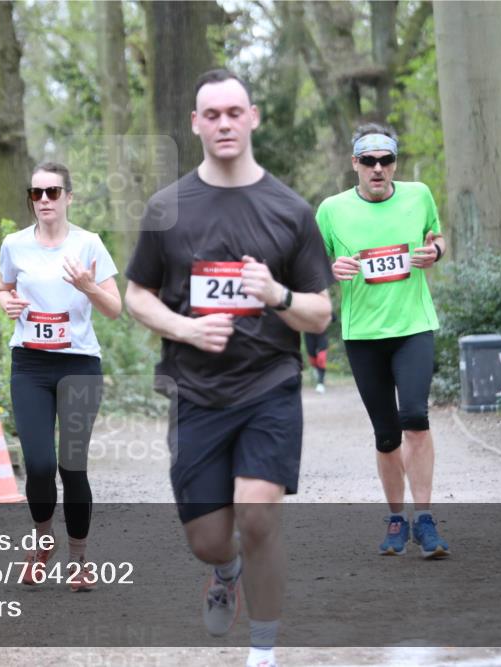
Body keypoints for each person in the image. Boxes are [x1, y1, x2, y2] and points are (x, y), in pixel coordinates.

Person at [125, 70, 332, 667]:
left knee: (259, 517)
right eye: (211, 114)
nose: (223, 123)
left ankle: (262, 652)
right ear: (195, 123)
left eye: (234, 112)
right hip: (195, 391)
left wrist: (277, 295)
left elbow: (320, 313)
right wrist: (185, 328)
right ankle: (225, 569)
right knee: (208, 539)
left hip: (270, 385)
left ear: (253, 117)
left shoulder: (290, 210)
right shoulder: (167, 209)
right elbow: (136, 294)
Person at [316, 123, 450, 559]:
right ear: (354, 163)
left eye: (386, 160)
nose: (378, 168)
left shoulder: (418, 196)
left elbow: (437, 237)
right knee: (387, 434)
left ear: (395, 162)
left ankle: (424, 519)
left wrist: (436, 252)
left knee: (415, 417)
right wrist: (330, 269)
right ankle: (396, 520)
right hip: (363, 335)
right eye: (369, 160)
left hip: (413, 327)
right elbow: (310, 262)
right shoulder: (332, 210)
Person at [0, 161, 121, 592]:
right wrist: (7, 303)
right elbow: (3, 288)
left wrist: (88, 286)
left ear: (69, 197)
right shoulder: (14, 244)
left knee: (72, 466)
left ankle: (79, 559)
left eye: (53, 192)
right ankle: (42, 541)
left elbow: (114, 309)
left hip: (78, 365)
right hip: (30, 366)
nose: (44, 200)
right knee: (38, 465)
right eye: (37, 193)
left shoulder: (89, 244)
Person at [303, 314, 334, 393]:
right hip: (309, 334)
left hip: (321, 334)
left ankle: (320, 383)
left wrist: (324, 323)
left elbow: (333, 317)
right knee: (312, 360)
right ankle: (318, 371)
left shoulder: (323, 306)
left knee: (321, 359)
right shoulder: (305, 308)